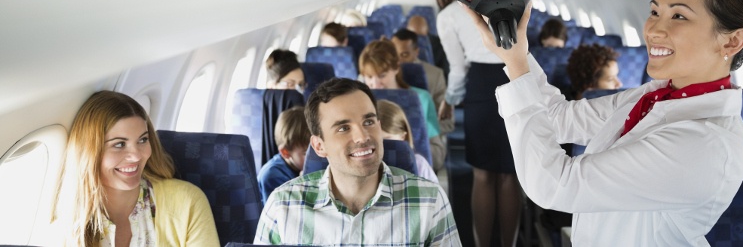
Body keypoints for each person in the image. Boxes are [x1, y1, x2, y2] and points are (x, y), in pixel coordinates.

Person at [465, 0, 743, 247]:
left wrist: (518, 67)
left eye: (678, 16)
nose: (653, 30)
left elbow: (557, 185)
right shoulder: (655, 96)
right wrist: (516, 52)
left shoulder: (706, 144)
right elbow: (559, 118)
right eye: (654, 12)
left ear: (731, 41)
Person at [253, 78, 460, 246]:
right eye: (343, 128)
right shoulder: (282, 206)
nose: (362, 136)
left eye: (369, 122)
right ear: (318, 146)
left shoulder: (430, 201)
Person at [50, 91, 219, 247]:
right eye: (119, 144)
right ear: (90, 152)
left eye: (143, 140)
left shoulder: (187, 202)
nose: (137, 156)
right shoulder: (67, 223)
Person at [436, 0, 521, 247]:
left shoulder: (449, 15)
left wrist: (450, 100)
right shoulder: (515, 2)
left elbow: (458, 68)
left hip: (480, 86)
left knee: (482, 174)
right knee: (509, 173)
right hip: (515, 78)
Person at [358, 39, 442, 168]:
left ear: (396, 68)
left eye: (382, 75)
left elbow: (437, 152)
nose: (375, 84)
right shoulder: (357, 103)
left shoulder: (421, 98)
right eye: (369, 77)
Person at [392, 28, 452, 168]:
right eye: (395, 55)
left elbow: (447, 121)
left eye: (405, 55)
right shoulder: (382, 81)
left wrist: (421, 135)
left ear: (416, 52)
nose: (399, 61)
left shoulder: (434, 75)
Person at [256, 106, 311, 205]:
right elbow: (286, 213)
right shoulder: (272, 176)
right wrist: (303, 184)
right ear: (285, 152)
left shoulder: (299, 164)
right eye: (306, 153)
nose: (314, 157)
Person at [376, 99, 438, 183]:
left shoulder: (418, 165)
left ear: (403, 137)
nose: (381, 146)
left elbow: (433, 195)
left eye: (387, 140)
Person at [407, 13, 450, 79]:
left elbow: (444, 72)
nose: (419, 41)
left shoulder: (440, 45)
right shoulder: (403, 45)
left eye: (421, 37)